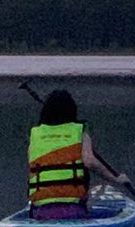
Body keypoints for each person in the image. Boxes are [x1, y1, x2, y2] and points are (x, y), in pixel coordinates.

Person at [27, 89, 127, 219]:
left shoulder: (35, 135)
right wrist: (116, 179)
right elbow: (90, 161)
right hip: (73, 209)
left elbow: (32, 164)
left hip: (40, 211)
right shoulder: (79, 132)